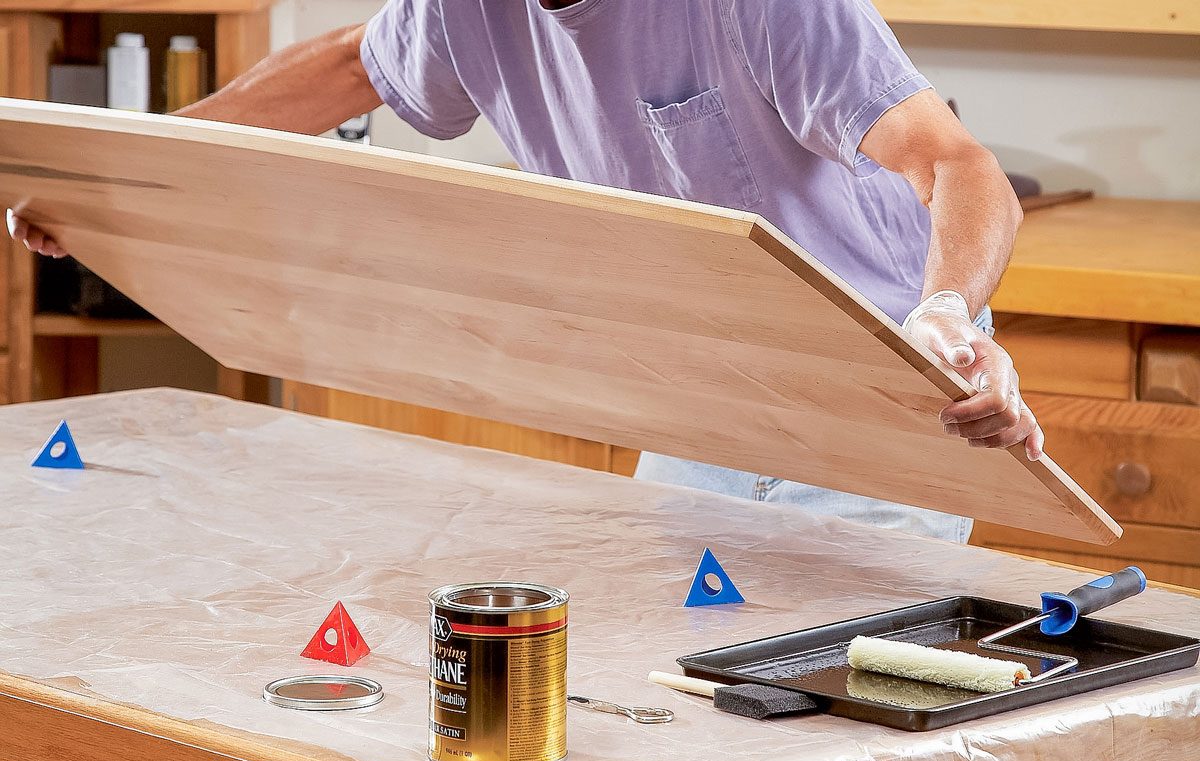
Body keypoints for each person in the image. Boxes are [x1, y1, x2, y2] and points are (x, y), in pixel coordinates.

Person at [6, 0, 1042, 543]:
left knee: (847, 717)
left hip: (878, 399)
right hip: (707, 406)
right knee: (684, 697)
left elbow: (954, 162)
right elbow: (353, 65)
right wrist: (123, 164)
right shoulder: (468, 5)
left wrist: (948, 312)